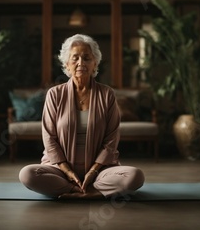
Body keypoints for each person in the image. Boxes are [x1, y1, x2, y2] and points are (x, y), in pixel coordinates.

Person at [19, 34, 145, 200]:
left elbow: (112, 139)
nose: (81, 63)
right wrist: (67, 170)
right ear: (66, 64)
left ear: (95, 64)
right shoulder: (54, 94)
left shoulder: (107, 94)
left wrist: (93, 171)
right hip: (60, 170)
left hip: (100, 170)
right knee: (27, 174)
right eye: (75, 58)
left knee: (135, 176)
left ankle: (91, 190)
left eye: (87, 58)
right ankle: (77, 189)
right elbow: (49, 138)